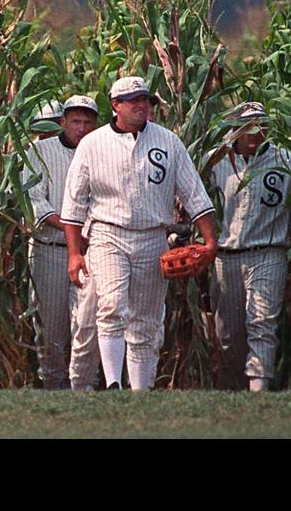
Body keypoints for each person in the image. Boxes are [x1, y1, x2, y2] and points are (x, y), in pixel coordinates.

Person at [60, 76, 217, 390]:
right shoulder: (93, 143)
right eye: (133, 100)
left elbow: (194, 193)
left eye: (145, 99)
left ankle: (140, 392)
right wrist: (75, 253)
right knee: (112, 306)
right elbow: (74, 204)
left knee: (146, 322)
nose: (142, 105)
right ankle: (114, 383)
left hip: (152, 236)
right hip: (107, 233)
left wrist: (210, 241)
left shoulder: (168, 141)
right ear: (116, 106)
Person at [207, 101, 291, 392]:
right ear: (233, 129)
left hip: (269, 253)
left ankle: (258, 392)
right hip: (226, 257)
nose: (255, 131)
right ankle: (238, 389)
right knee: (228, 334)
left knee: (262, 324)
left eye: (261, 125)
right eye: (247, 125)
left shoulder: (285, 160)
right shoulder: (216, 160)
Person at [23, 94, 102, 390]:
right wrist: (73, 231)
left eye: (87, 122)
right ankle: (52, 388)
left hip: (93, 251)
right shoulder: (39, 151)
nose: (81, 128)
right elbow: (34, 201)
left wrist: (87, 236)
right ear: (63, 122)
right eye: (75, 121)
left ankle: (86, 387)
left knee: (88, 322)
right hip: (50, 250)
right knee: (50, 328)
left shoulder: (103, 150)